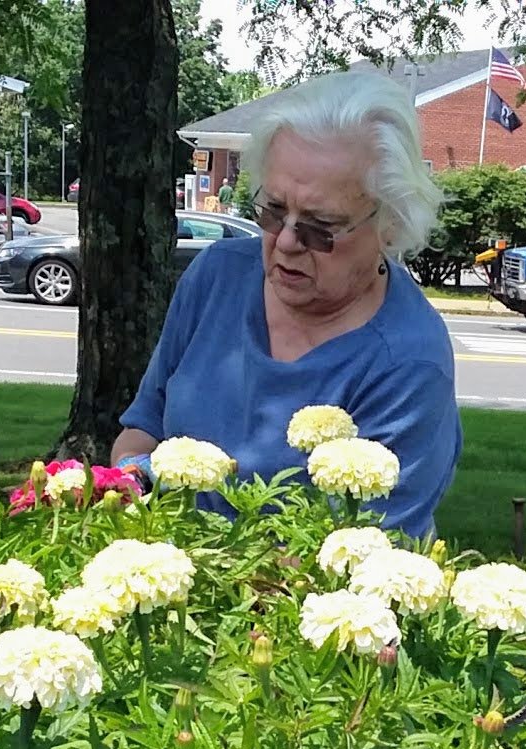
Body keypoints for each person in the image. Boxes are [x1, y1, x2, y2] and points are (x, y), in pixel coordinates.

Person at [111, 71, 459, 538]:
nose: (287, 242)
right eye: (272, 212)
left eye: (320, 226)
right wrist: (131, 485)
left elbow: (360, 556)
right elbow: (143, 426)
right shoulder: (216, 277)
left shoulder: (409, 362)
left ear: (390, 226)